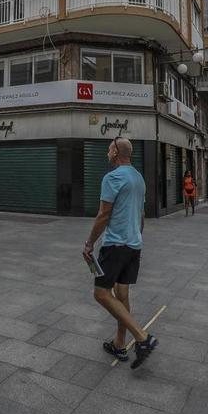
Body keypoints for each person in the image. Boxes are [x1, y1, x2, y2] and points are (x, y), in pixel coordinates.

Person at [83, 137, 157, 369]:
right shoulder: (138, 177)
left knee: (101, 294)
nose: (107, 153)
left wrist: (89, 244)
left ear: (116, 152)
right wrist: (138, 241)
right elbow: (141, 215)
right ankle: (119, 342)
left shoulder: (112, 177)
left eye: (108, 149)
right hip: (133, 244)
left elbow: (104, 214)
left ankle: (142, 337)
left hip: (115, 244)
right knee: (122, 294)